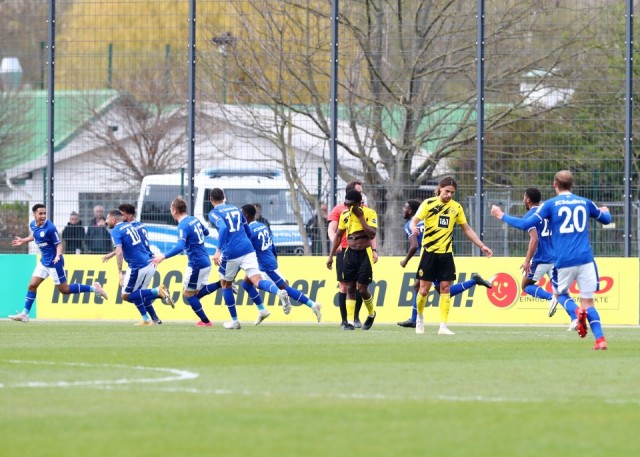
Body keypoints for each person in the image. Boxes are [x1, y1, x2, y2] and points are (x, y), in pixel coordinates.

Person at [491, 170, 611, 350]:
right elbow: (606, 220)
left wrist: (501, 215)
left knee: (560, 294)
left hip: (564, 260)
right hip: (586, 259)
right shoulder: (585, 202)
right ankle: (600, 339)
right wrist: (605, 211)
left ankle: (576, 313)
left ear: (555, 184)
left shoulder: (550, 205)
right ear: (572, 184)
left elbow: (525, 225)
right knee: (588, 302)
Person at [410, 176, 493, 335]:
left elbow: (466, 229)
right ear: (440, 189)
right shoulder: (428, 204)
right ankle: (419, 318)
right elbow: (415, 220)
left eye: (452, 193)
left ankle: (443, 326)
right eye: (447, 191)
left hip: (446, 255)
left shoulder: (456, 208)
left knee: (445, 289)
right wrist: (414, 227)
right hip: (429, 253)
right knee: (423, 290)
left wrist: (481, 246)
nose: (449, 195)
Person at [201, 188, 290, 328]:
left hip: (231, 252)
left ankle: (235, 321)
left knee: (225, 284)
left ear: (211, 199)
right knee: (257, 280)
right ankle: (278, 293)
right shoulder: (236, 209)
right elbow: (247, 228)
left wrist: (218, 251)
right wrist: (246, 241)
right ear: (224, 197)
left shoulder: (214, 213)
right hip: (248, 249)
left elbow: (223, 228)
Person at [9, 203, 108, 323]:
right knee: (32, 285)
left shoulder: (50, 228)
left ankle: (94, 288)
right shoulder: (33, 224)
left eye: (44, 213)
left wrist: (58, 255)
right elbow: (36, 235)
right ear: (34, 214)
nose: (43, 216)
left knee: (64, 290)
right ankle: (25, 314)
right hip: (44, 262)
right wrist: (24, 240)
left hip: (54, 263)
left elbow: (59, 244)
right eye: (40, 213)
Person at [242, 204, 322, 322]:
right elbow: (272, 245)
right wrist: (275, 259)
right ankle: (262, 310)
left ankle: (311, 304)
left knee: (282, 288)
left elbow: (244, 249)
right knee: (246, 284)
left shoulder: (249, 231)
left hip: (264, 265)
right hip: (267, 261)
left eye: (241, 214)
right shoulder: (263, 226)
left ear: (245, 215)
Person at [150, 197, 217, 328]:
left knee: (188, 295)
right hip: (205, 261)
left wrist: (163, 256)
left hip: (196, 263)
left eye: (171, 209)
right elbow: (207, 232)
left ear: (175, 211)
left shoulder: (182, 226)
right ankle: (221, 284)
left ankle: (206, 322)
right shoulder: (194, 219)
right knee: (194, 294)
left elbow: (180, 247)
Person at [518, 188, 577, 330]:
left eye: (524, 197)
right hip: (556, 258)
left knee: (525, 286)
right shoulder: (549, 213)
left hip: (541, 259)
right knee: (562, 292)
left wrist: (527, 260)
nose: (523, 200)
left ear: (528, 199)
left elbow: (534, 239)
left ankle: (550, 297)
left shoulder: (530, 216)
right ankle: (576, 318)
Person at [105, 209, 173, 326]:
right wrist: (111, 254)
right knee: (139, 293)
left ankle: (158, 291)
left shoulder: (116, 230)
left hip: (138, 266)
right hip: (149, 261)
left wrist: (120, 272)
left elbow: (120, 251)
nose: (106, 221)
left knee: (126, 296)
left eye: (107, 219)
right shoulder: (129, 226)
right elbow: (130, 245)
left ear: (113, 220)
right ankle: (149, 319)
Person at [327, 181, 378, 328]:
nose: (346, 205)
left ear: (357, 203)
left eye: (349, 203)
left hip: (364, 254)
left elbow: (372, 234)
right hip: (349, 254)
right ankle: (349, 322)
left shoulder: (369, 213)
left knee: (361, 288)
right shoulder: (344, 215)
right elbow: (338, 235)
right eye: (346, 203)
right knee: (349, 287)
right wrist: (330, 256)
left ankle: (371, 313)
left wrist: (361, 218)